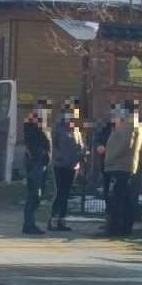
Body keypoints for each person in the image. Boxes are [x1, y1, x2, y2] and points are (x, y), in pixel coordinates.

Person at [99, 100, 142, 237]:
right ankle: (123, 227)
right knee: (124, 198)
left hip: (120, 165)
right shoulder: (131, 123)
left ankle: (114, 228)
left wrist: (111, 157)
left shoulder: (130, 124)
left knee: (116, 198)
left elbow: (126, 143)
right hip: (121, 165)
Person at [48, 97, 85, 231]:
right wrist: (60, 157)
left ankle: (62, 219)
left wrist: (81, 156)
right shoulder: (58, 126)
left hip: (72, 166)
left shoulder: (75, 128)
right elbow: (53, 145)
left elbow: (79, 144)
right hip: (60, 165)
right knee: (59, 192)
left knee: (66, 193)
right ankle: (53, 219)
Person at [22, 101, 52, 235]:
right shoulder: (31, 124)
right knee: (34, 192)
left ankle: (30, 222)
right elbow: (32, 143)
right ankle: (28, 224)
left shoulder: (42, 124)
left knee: (39, 192)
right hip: (35, 162)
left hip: (42, 162)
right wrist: (40, 156)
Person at [92, 107, 115, 227]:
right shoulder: (108, 126)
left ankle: (113, 219)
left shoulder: (124, 128)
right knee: (108, 192)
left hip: (117, 164)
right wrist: (100, 145)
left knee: (114, 193)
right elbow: (99, 138)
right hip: (106, 163)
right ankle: (108, 218)